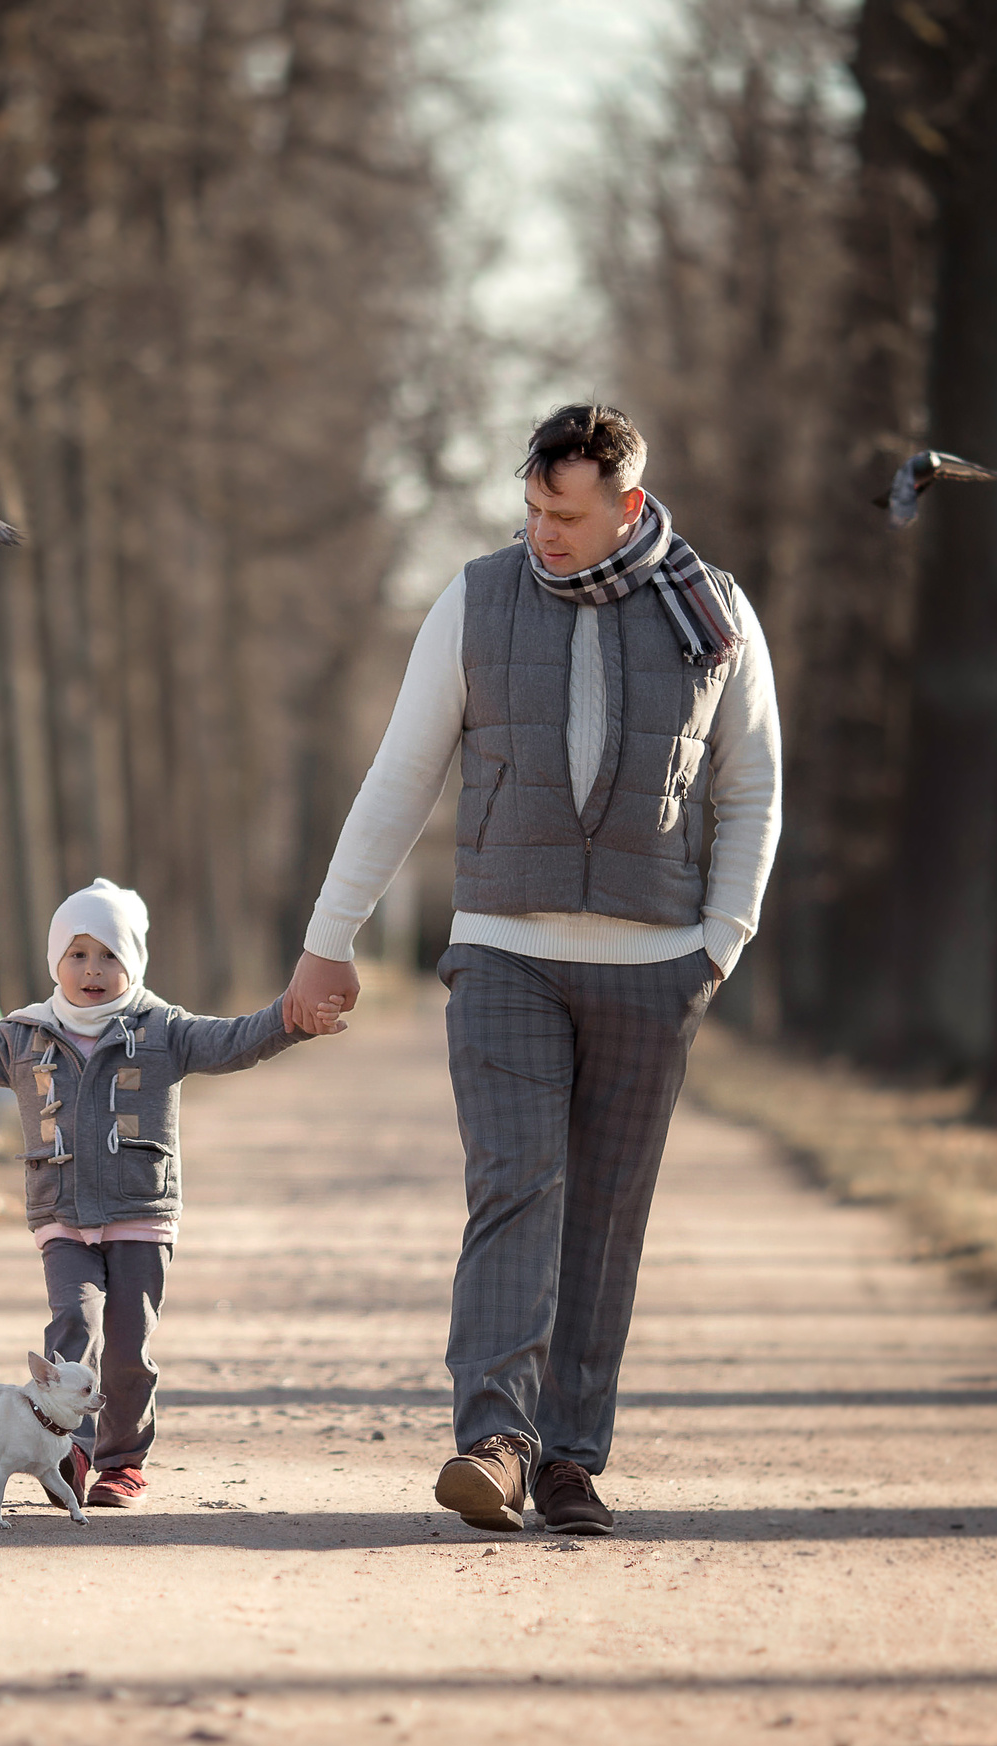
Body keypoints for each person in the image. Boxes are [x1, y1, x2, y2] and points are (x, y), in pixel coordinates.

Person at [282, 405, 781, 1536]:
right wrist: (331, 936)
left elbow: (750, 787)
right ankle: (496, 1440)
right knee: (516, 1185)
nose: (541, 533)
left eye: (564, 516)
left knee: (605, 1215)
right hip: (505, 948)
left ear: (628, 508)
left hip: (657, 966)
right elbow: (400, 777)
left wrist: (720, 943)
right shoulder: (476, 598)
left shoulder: (716, 613)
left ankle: (570, 1461)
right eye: (531, 508)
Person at [0, 879, 341, 1510]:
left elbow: (235, 1041)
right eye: (78, 954)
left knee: (128, 1346)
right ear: (56, 962)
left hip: (141, 1216)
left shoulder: (163, 1029)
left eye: (109, 955)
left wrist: (291, 1017)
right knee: (72, 1326)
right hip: (61, 1215)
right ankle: (68, 1449)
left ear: (132, 963)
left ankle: (122, 1462)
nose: (93, 970)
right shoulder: (21, 1036)